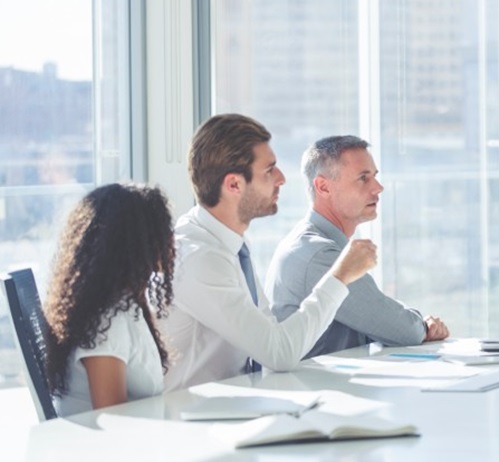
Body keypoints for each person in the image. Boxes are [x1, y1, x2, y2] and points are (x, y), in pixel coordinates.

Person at [162, 114, 377, 390]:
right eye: (269, 170)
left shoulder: (230, 245)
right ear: (234, 185)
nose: (282, 179)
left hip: (236, 405)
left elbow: (271, 337)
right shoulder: (199, 258)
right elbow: (279, 353)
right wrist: (340, 276)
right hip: (193, 419)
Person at [265, 135, 449, 357]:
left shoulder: (313, 242)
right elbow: (401, 329)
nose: (378, 188)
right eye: (363, 178)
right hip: (318, 388)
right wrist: (423, 326)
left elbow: (378, 314)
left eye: (375, 177)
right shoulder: (319, 253)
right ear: (323, 187)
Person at [45, 183, 175, 416]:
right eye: (163, 232)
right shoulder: (108, 319)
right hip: (103, 449)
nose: (171, 242)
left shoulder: (125, 302)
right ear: (137, 243)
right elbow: (113, 421)